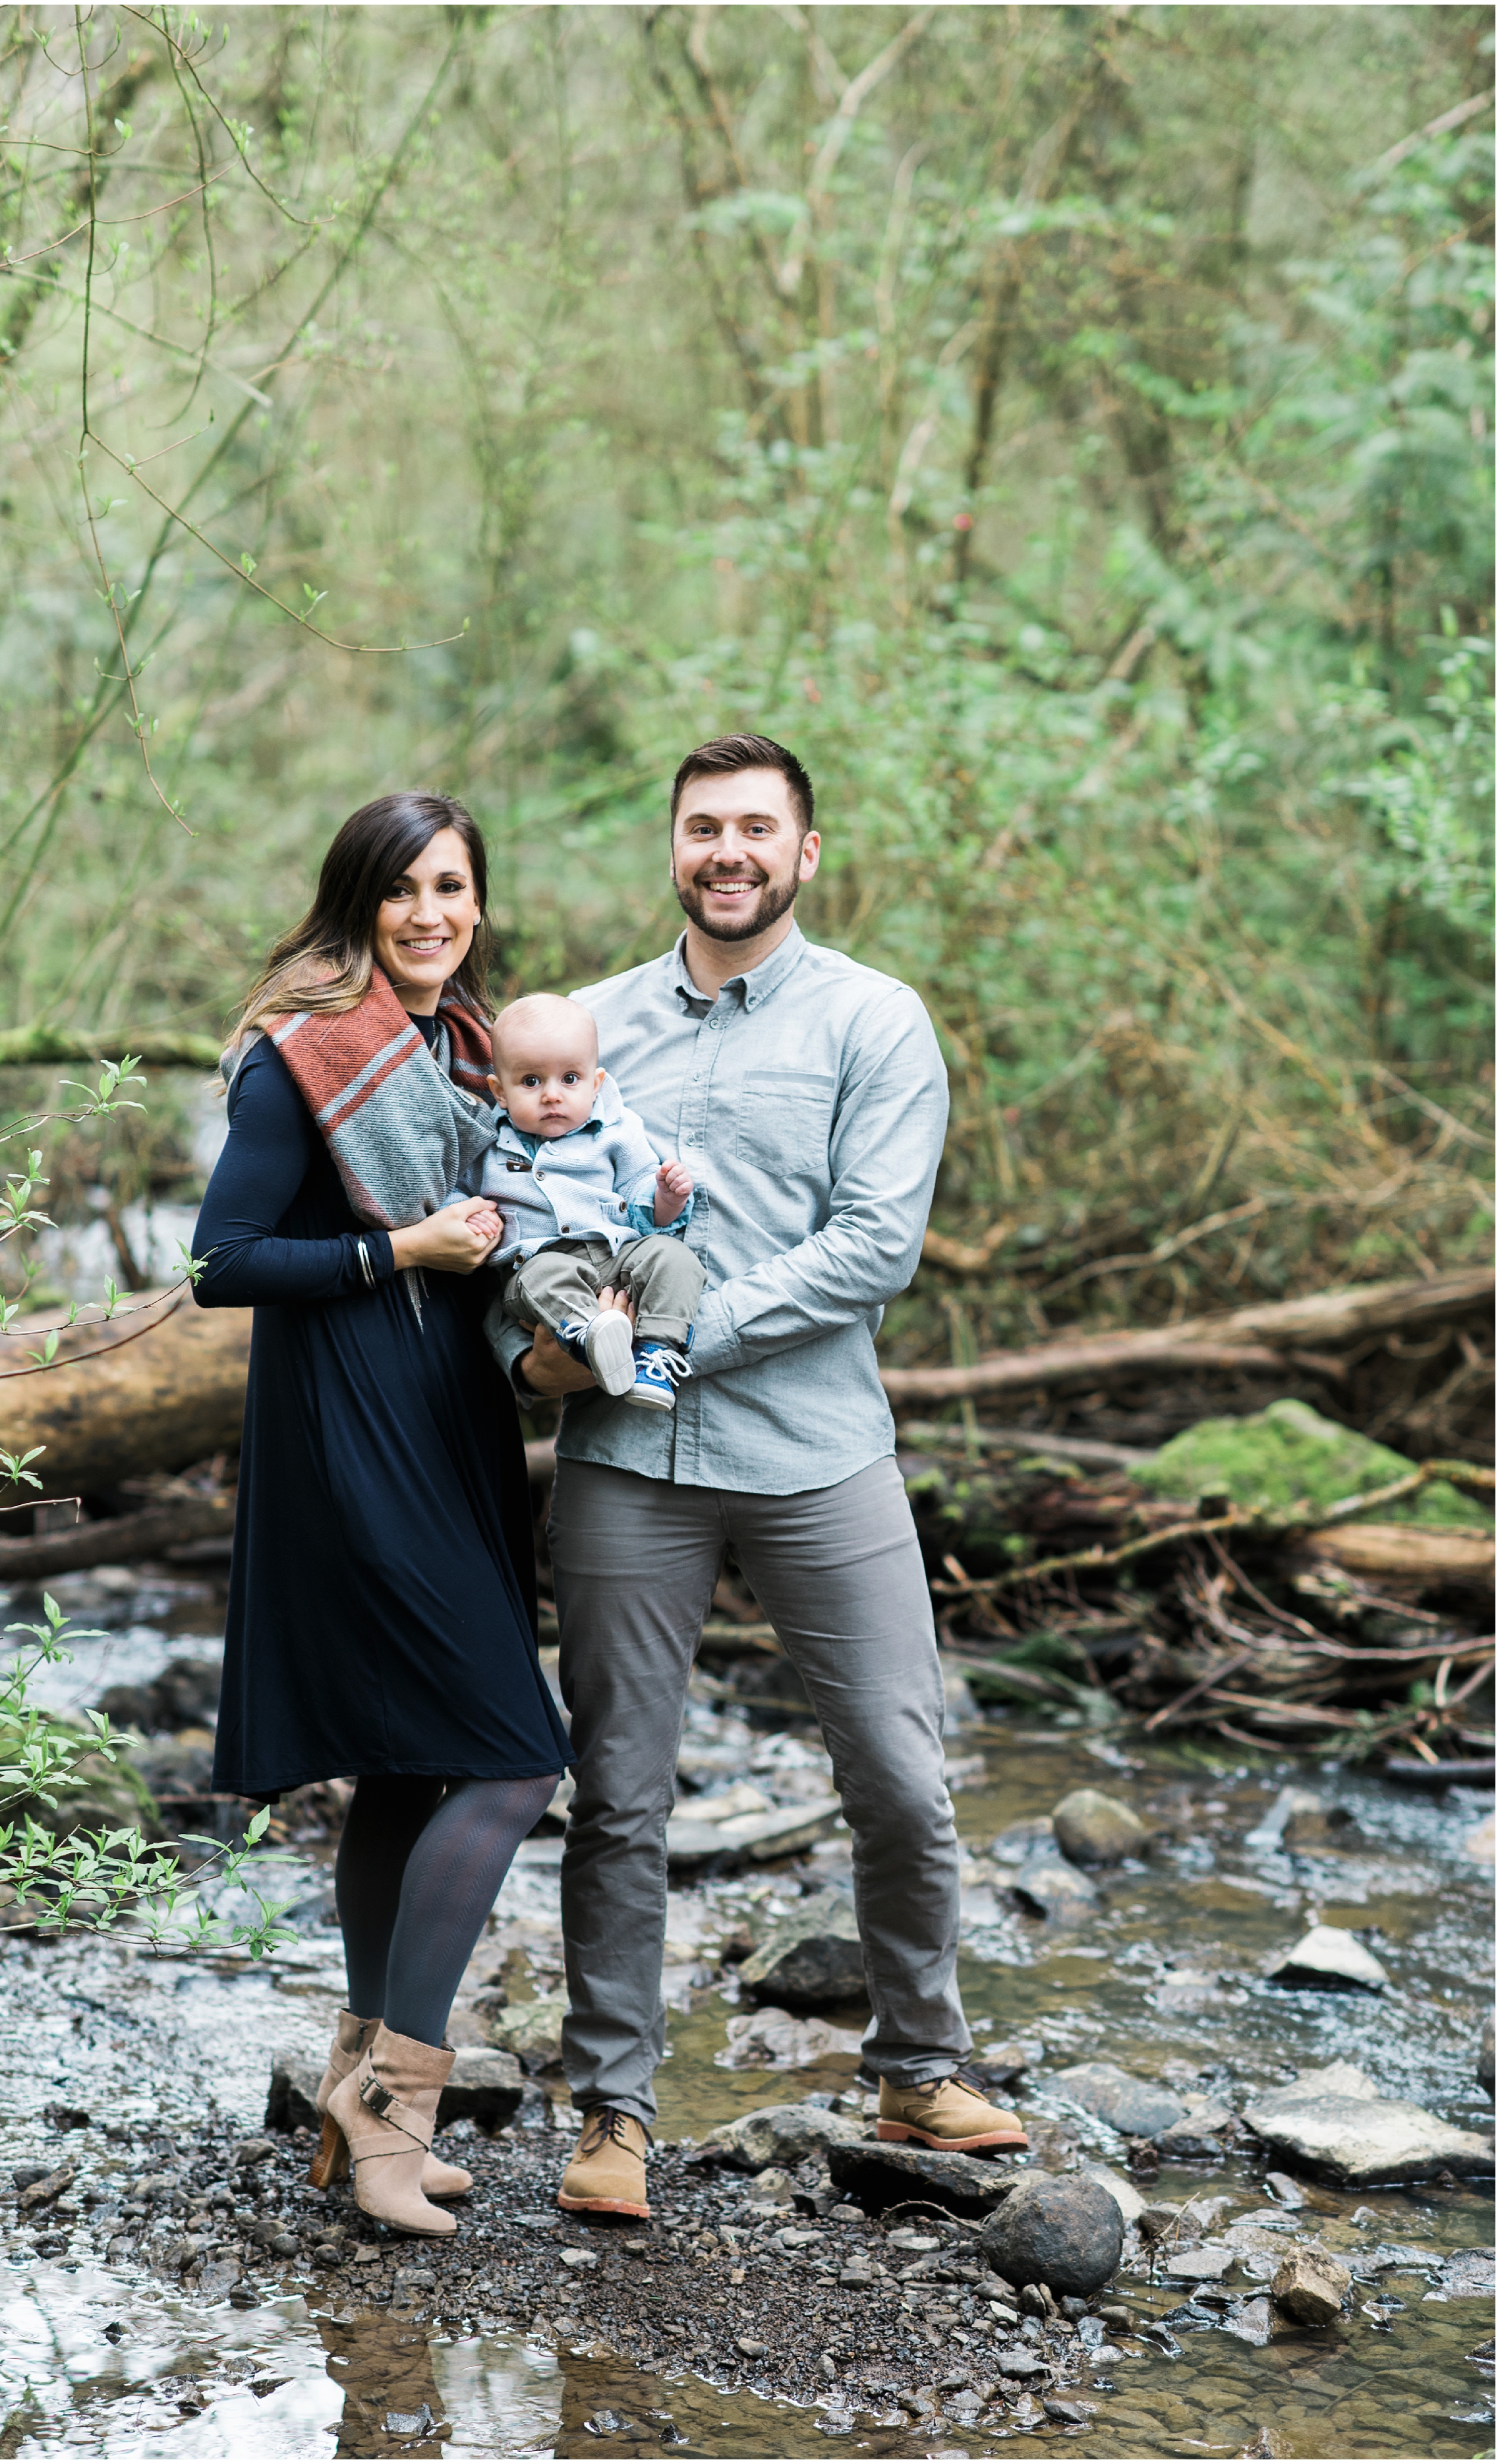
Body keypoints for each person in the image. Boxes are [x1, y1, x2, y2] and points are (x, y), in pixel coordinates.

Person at [496, 733, 1028, 2221]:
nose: (724, 852)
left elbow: (874, 1247)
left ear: (803, 854)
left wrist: (664, 1337)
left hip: (815, 1458)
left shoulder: (876, 1020)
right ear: (670, 849)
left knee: (902, 1780)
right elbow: (512, 1211)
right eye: (699, 829)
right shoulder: (584, 1030)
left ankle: (919, 2064)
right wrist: (544, 1352)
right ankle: (611, 2113)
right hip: (627, 1468)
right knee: (615, 1796)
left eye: (753, 830)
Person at [193, 790, 569, 2241]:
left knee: (411, 1771)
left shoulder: (466, 1055)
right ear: (356, 904)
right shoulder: (304, 1056)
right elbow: (224, 1262)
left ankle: (356, 2077)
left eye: (454, 889)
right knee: (513, 1756)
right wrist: (398, 1246)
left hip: (449, 1421)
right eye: (404, 890)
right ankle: (397, 2108)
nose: (431, 915)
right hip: (351, 1430)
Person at [453, 991, 703, 1410]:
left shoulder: (617, 1133)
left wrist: (667, 1199)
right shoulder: (487, 1143)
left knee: (673, 1256)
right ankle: (590, 1336)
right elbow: (452, 1191)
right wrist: (467, 1217)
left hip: (617, 1256)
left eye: (570, 1079)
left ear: (596, 1083)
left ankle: (658, 1352)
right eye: (531, 1082)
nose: (552, 1095)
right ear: (499, 1091)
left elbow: (641, 1199)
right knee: (543, 1275)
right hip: (540, 1265)